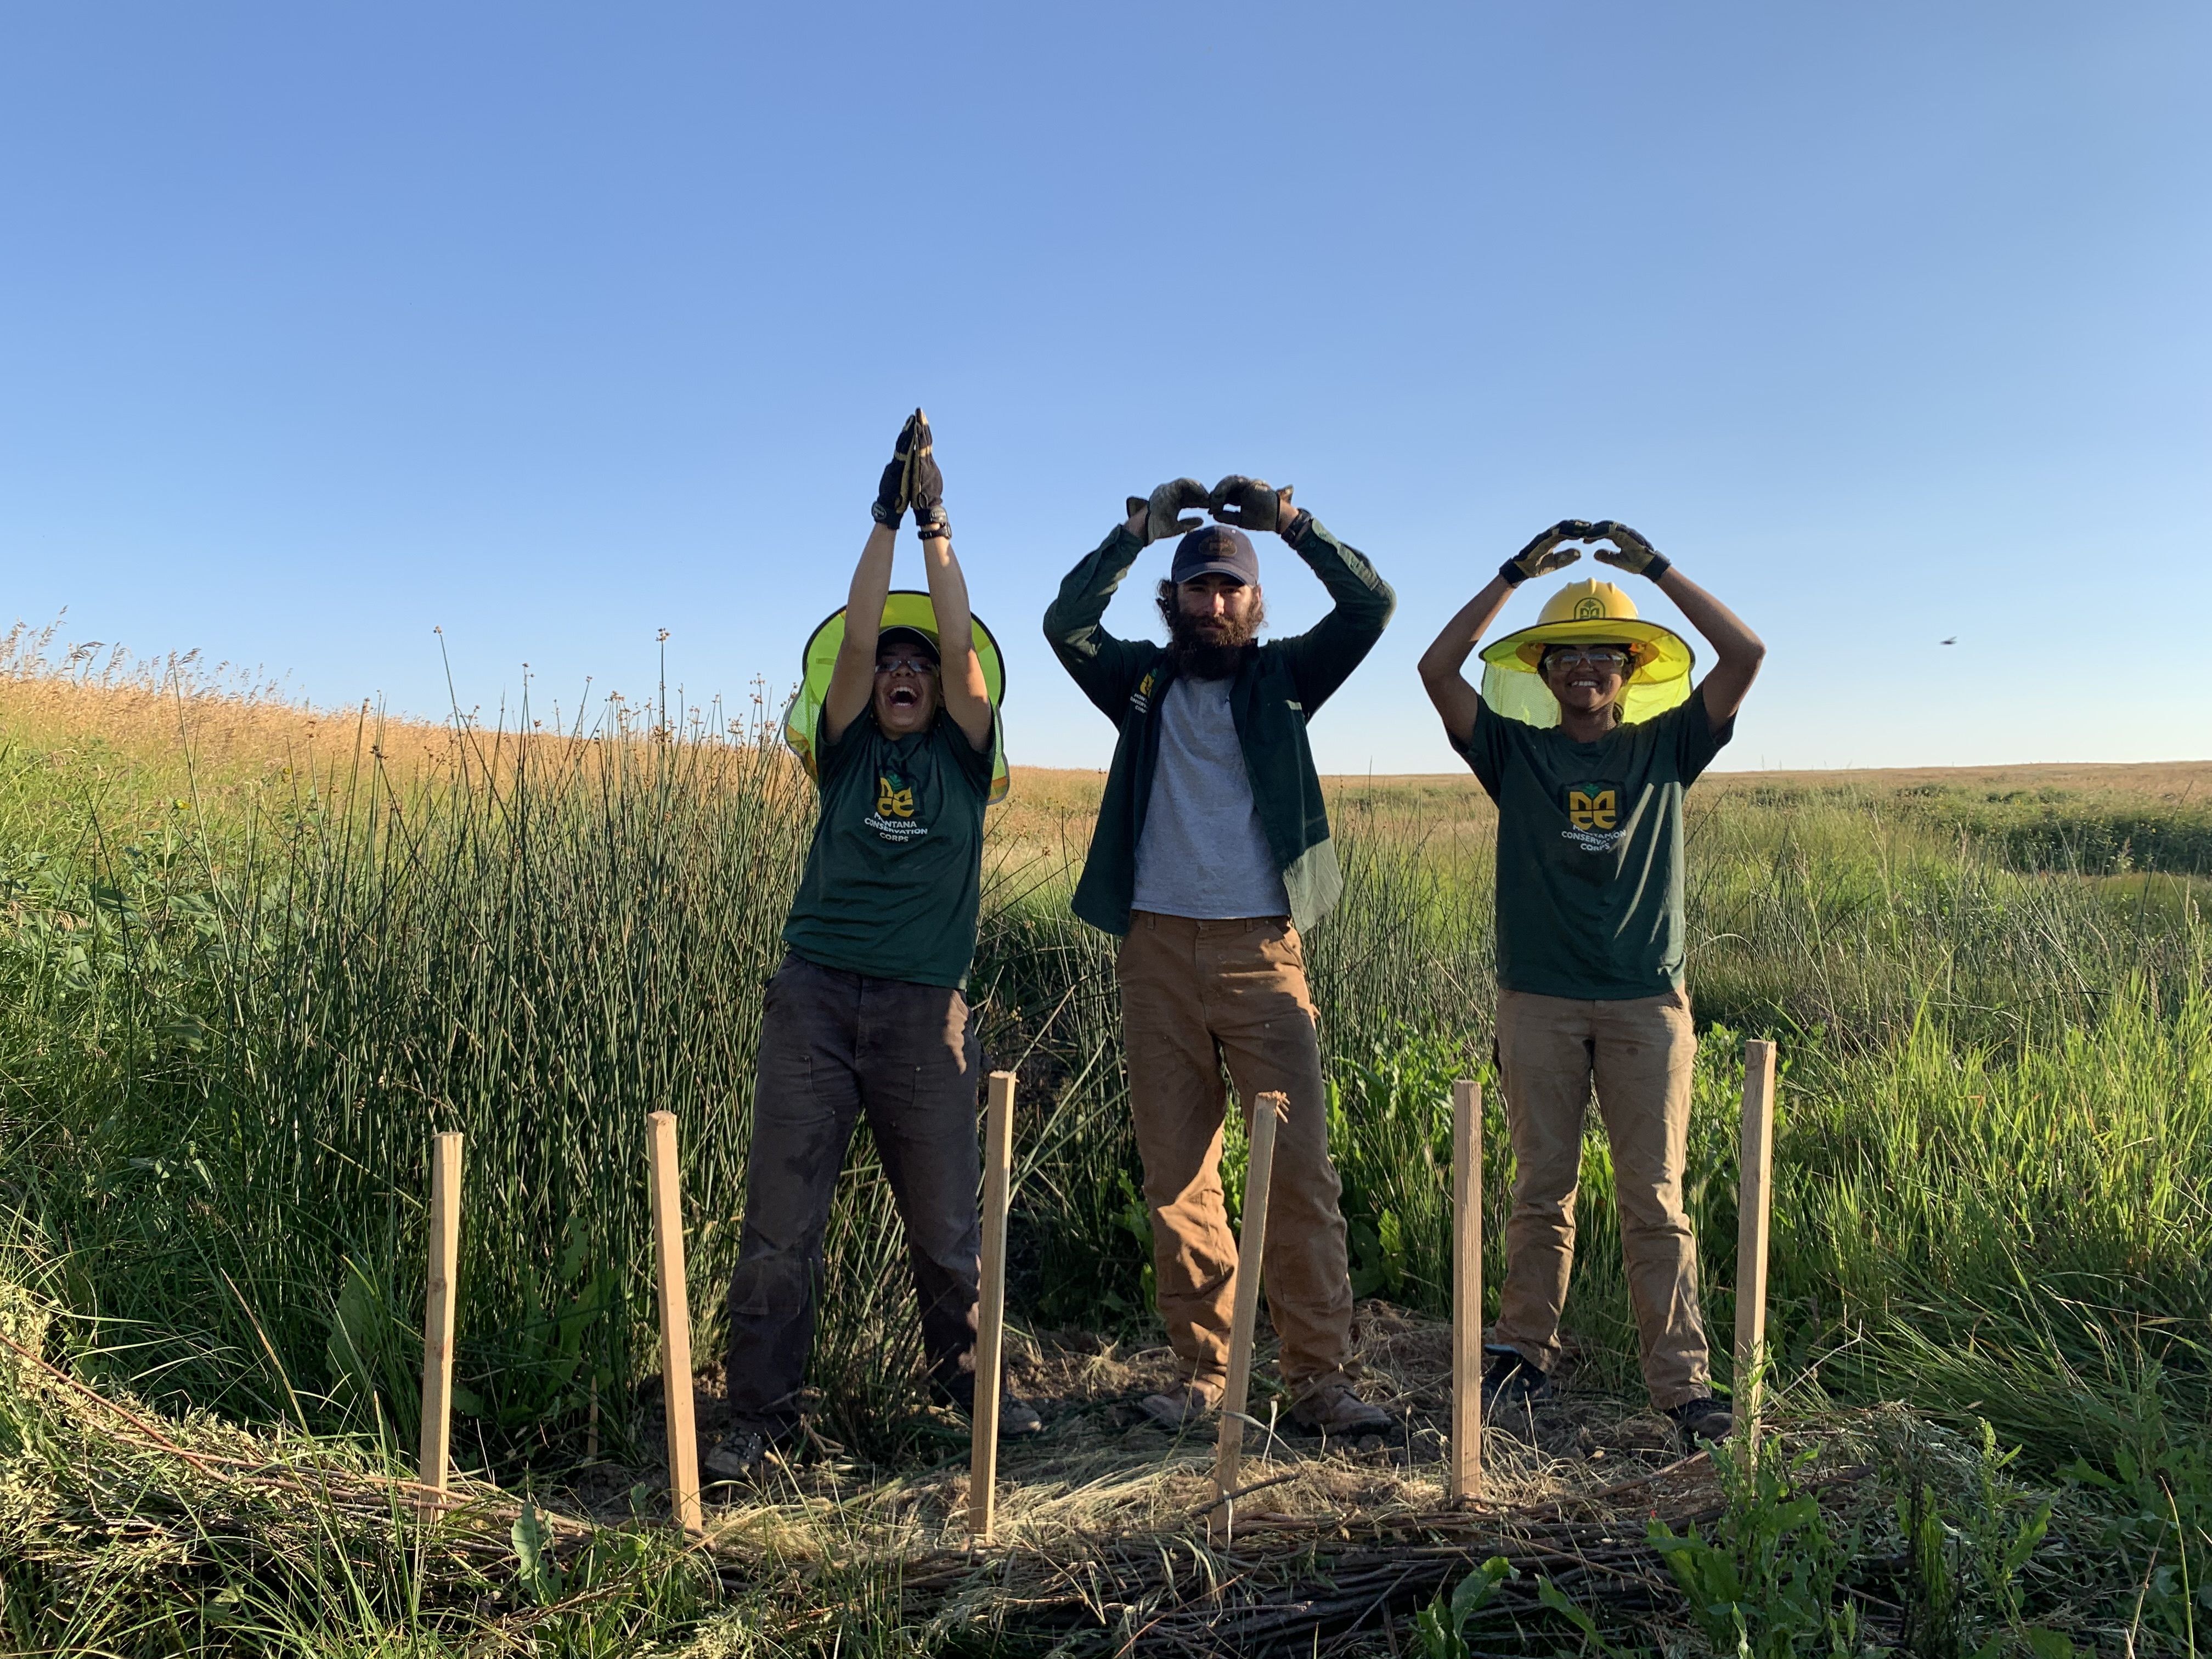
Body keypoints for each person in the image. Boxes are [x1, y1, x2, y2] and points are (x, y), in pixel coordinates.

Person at [708, 411, 1039, 1481]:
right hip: (813, 1002)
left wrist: (938, 525)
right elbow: (852, 638)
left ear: (943, 685)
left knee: (946, 1224)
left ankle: (970, 1394)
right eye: (888, 663)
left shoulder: (966, 754)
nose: (901, 668)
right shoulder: (845, 755)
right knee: (779, 1226)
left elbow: (958, 640)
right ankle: (759, 1415)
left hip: (922, 1011)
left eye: (919, 662)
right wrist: (882, 519)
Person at [1043, 473, 1398, 1436]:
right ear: (1174, 600)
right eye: (1197, 587)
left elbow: (1372, 605)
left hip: (1262, 952)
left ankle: (1319, 1380)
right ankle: (1209, 1373)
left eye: (1231, 589)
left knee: (1298, 1172)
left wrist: (1290, 525)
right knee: (1177, 1172)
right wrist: (1135, 535)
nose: (1214, 603)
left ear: (1254, 601)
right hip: (1154, 949)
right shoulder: (1142, 685)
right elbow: (1065, 624)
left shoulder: (1285, 677)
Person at [1415, 518, 1765, 1446]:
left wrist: (1652, 568)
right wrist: (1509, 576)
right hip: (1538, 998)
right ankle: (1523, 1354)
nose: (1583, 671)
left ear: (1629, 667)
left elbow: (1746, 653)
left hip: (1648, 1000)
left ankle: (1684, 1388)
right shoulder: (1514, 755)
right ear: (1543, 673)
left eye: (1601, 655)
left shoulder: (1668, 747)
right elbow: (1436, 671)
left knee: (1655, 1198)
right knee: (1543, 1189)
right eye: (1564, 657)